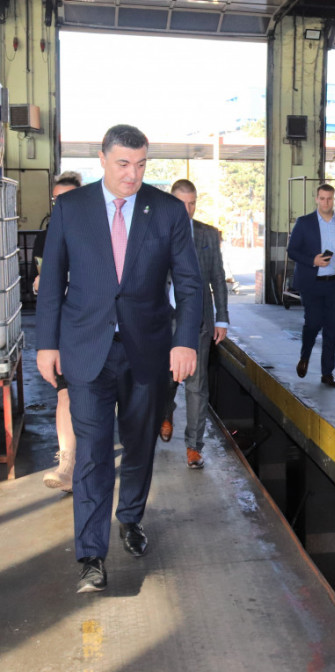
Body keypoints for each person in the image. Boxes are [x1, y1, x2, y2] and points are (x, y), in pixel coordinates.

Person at [36, 124, 203, 594]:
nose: (133, 174)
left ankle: (130, 516)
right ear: (102, 158)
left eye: (141, 164)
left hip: (146, 349)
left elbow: (190, 284)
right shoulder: (71, 208)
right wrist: (46, 344)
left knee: (139, 443)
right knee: (91, 453)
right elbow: (52, 282)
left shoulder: (167, 211)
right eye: (123, 164)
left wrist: (185, 341)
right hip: (86, 348)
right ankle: (91, 554)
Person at [159, 179, 229, 469]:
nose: (187, 210)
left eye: (192, 204)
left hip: (198, 320)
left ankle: (194, 447)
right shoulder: (155, 230)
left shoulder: (207, 234)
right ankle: (165, 412)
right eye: (181, 204)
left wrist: (222, 317)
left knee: (197, 386)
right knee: (166, 379)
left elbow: (218, 277)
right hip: (163, 320)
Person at [32, 171, 82, 492]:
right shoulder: (45, 238)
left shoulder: (98, 234)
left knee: (93, 397)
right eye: (56, 200)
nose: (60, 205)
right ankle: (66, 465)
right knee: (65, 393)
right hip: (62, 328)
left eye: (67, 199)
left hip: (92, 328)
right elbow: (40, 285)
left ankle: (87, 460)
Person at [287, 183, 335, 388]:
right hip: (312, 284)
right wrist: (313, 260)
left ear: (333, 199)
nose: (326, 202)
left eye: (329, 199)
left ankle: (327, 373)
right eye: (322, 198)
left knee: (331, 330)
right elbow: (292, 251)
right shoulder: (304, 222)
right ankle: (305, 356)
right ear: (316, 199)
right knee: (313, 323)